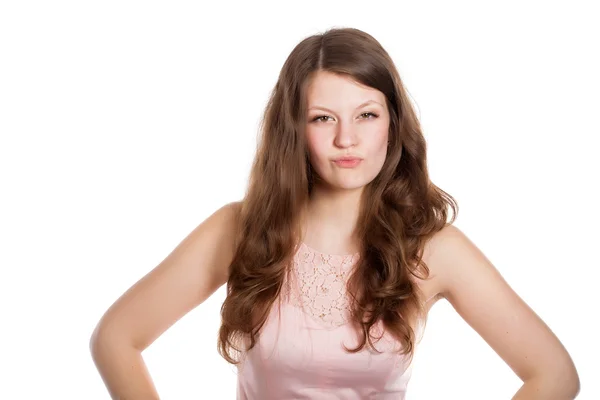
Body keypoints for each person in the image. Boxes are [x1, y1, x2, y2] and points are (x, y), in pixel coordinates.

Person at [89, 27, 580, 399]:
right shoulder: (240, 229)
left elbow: (554, 375)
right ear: (295, 130)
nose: (347, 139)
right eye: (323, 118)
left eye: (367, 114)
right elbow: (116, 338)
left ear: (393, 123)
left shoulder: (432, 248)